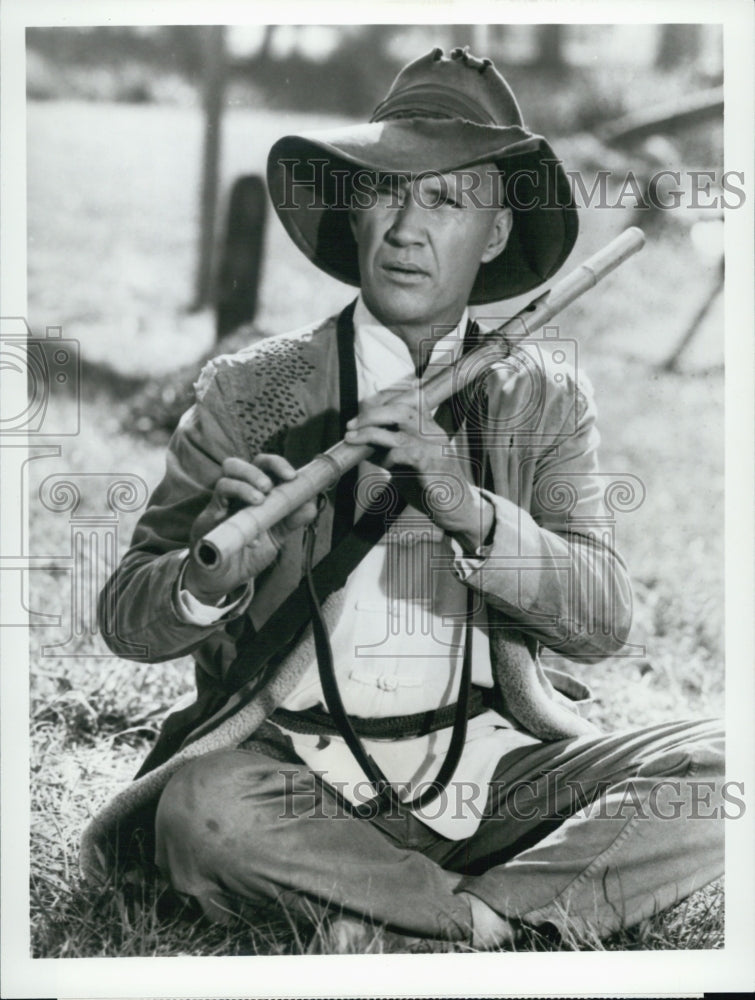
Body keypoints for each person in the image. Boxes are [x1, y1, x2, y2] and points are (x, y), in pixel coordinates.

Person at [88, 47, 724, 950]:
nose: (406, 230)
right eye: (386, 192)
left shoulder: (542, 399)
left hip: (493, 778)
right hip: (293, 778)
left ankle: (425, 921)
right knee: (202, 808)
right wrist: (208, 578)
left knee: (728, 767)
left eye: (446, 200)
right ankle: (495, 917)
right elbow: (127, 618)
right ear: (355, 210)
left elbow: (601, 621)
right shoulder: (252, 389)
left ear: (494, 236)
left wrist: (470, 511)